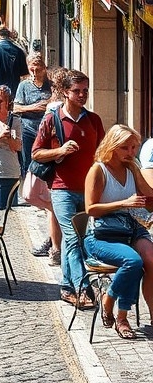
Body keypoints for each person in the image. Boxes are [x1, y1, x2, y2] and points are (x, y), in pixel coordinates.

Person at [31, 69, 105, 309]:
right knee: (72, 237)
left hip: (88, 190)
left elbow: (104, 153)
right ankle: (83, 288)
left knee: (80, 239)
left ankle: (65, 286)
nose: (82, 95)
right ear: (65, 92)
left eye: (85, 90)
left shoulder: (93, 121)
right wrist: (60, 151)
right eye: (77, 91)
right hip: (62, 188)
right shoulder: (52, 119)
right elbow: (36, 154)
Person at [83, 125, 153, 339]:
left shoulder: (131, 167)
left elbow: (150, 199)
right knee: (133, 262)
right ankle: (116, 310)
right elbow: (90, 209)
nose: (131, 153)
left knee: (151, 259)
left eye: (134, 147)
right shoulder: (98, 170)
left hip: (130, 229)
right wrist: (124, 202)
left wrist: (136, 172)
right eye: (126, 148)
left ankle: (150, 314)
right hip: (102, 234)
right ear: (112, 146)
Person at [15, 54, 59, 260]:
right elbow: (16, 108)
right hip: (29, 130)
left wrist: (42, 107)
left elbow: (50, 105)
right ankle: (44, 202)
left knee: (45, 172)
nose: (35, 70)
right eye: (32, 67)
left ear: (44, 67)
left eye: (38, 67)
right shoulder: (23, 86)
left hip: (49, 136)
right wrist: (36, 107)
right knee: (29, 167)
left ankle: (48, 202)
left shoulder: (51, 85)